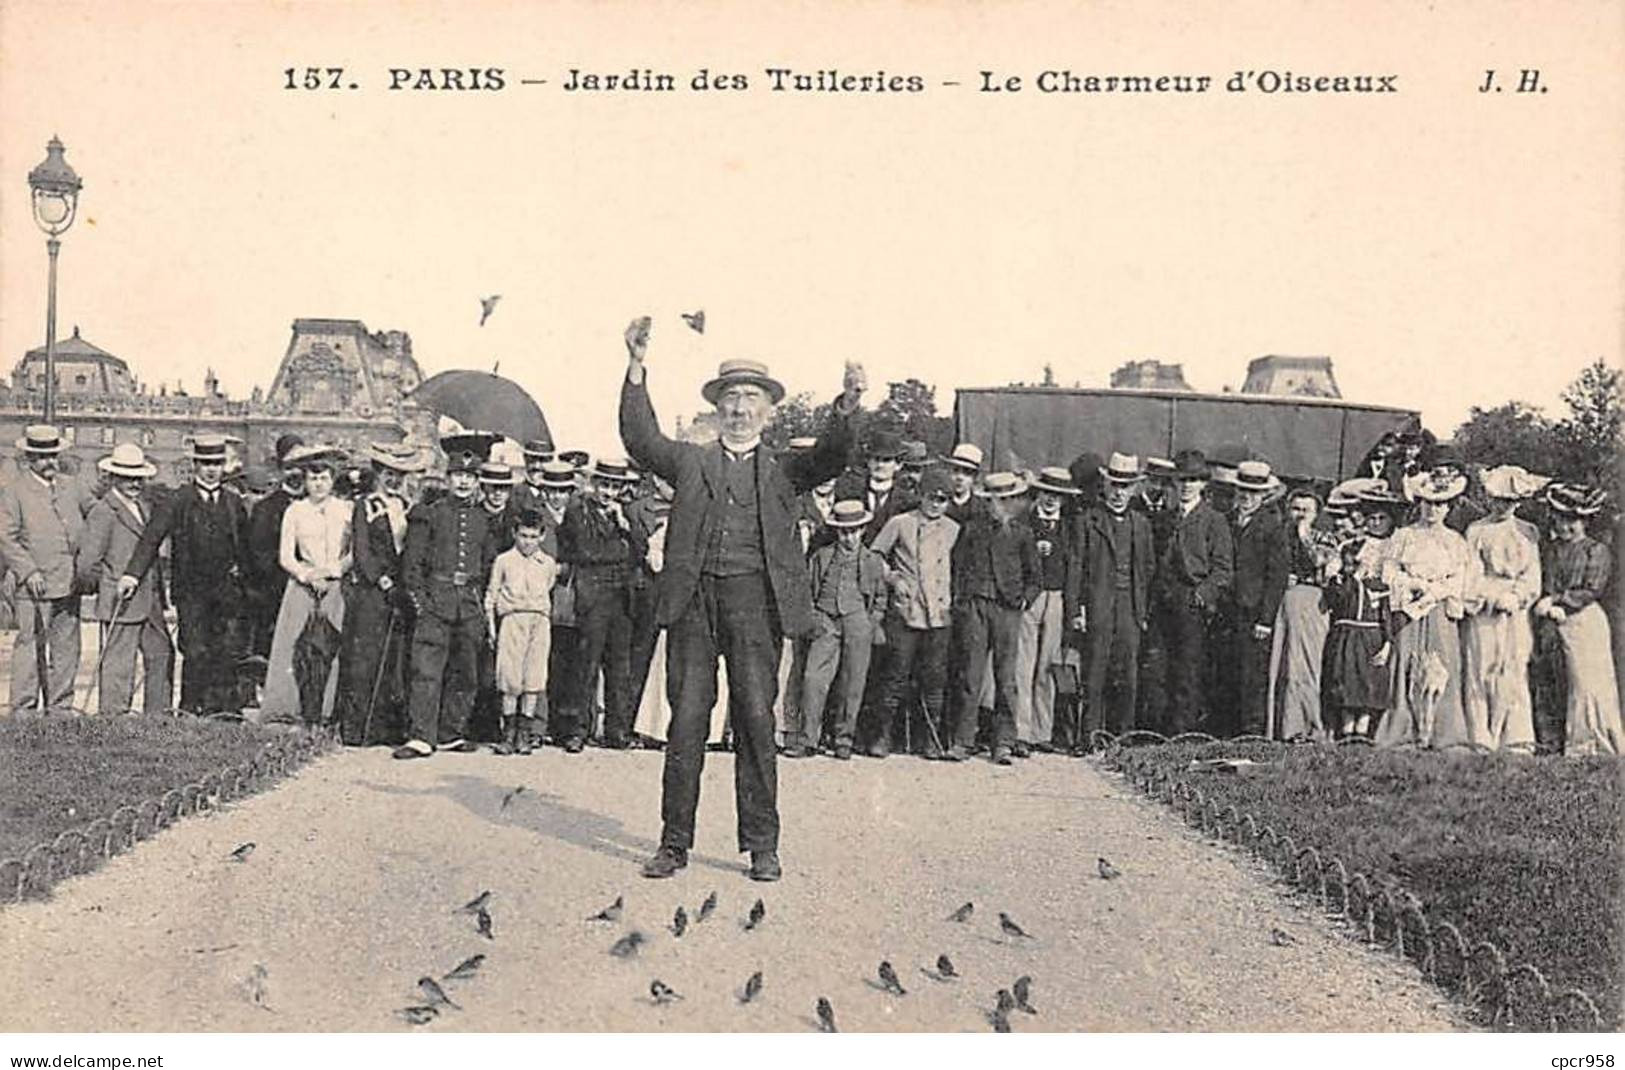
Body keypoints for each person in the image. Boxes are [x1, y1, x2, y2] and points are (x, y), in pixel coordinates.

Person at [619, 316, 860, 882]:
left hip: (757, 605)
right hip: (694, 604)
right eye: (731, 397)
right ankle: (674, 843)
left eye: (751, 398)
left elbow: (831, 456)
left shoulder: (783, 467)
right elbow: (640, 438)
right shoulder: (691, 461)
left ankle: (762, 846)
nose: (740, 408)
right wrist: (635, 367)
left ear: (768, 410)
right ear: (717, 407)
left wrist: (848, 405)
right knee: (686, 723)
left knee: (755, 718)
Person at [121, 433, 250, 717]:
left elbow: (245, 549)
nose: (211, 469)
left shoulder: (233, 502)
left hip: (226, 593)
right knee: (195, 649)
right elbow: (151, 539)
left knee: (225, 649)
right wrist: (132, 574)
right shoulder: (178, 500)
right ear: (195, 465)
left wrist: (246, 588)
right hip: (191, 591)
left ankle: (223, 711)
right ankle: (191, 708)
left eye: (216, 462)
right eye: (205, 463)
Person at [393, 431, 501, 759]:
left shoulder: (486, 519)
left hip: (468, 604)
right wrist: (422, 604)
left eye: (470, 476)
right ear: (448, 476)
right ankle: (421, 736)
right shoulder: (430, 513)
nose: (464, 482)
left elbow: (488, 564)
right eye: (458, 475)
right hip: (435, 602)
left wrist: (479, 605)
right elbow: (411, 565)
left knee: (465, 671)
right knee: (426, 669)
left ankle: (451, 732)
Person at [1373, 469, 1477, 749]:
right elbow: (1389, 570)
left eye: (1440, 504)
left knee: (1442, 663)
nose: (1433, 509)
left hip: (1439, 608)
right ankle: (1405, 729)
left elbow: (1461, 577)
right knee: (1406, 662)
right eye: (1428, 502)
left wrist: (1435, 591)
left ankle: (1443, 731)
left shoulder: (1455, 540)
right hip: (1409, 608)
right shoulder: (1404, 536)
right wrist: (1412, 584)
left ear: (1448, 507)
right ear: (1419, 503)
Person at [947, 471, 1039, 765]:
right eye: (992, 501)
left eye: (1003, 501)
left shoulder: (1023, 533)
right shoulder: (972, 529)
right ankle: (963, 741)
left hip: (1007, 610)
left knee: (1006, 677)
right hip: (975, 607)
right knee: (971, 676)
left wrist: (1024, 599)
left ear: (1012, 502)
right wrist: (961, 602)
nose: (997, 506)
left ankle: (1003, 742)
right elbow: (957, 566)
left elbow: (1034, 576)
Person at [259, 446, 353, 725]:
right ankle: (288, 709)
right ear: (305, 481)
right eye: (313, 479)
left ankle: (328, 710)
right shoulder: (295, 511)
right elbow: (285, 556)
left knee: (333, 645)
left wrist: (332, 572)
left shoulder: (346, 510)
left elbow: (353, 552)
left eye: (324, 478)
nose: (318, 484)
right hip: (302, 585)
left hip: (336, 584)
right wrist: (307, 575)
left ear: (333, 480)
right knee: (294, 647)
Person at [77, 443, 172, 716]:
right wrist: (107, 585)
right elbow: (87, 564)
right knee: (119, 662)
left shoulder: (144, 506)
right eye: (127, 476)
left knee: (160, 653)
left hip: (150, 597)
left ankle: (157, 717)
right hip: (121, 598)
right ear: (113, 477)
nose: (134, 483)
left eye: (138, 476)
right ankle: (114, 719)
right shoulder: (104, 511)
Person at [336, 442, 422, 745]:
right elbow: (361, 550)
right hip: (373, 592)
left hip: (400, 591)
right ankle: (358, 728)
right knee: (366, 657)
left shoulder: (408, 506)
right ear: (378, 473)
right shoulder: (365, 505)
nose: (393, 480)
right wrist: (381, 580)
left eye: (399, 474)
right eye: (388, 473)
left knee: (396, 659)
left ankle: (389, 727)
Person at [0, 425, 88, 715]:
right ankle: (23, 709)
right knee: (30, 645)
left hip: (69, 581)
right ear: (28, 459)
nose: (50, 462)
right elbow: (6, 538)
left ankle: (60, 708)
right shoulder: (13, 491)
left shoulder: (72, 485)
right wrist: (28, 571)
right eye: (42, 457)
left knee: (66, 648)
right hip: (33, 584)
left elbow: (98, 514)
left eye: (53, 455)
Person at [1460, 465, 1547, 753]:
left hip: (1515, 608)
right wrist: (1486, 595)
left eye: (1508, 501)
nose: (1501, 506)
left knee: (1514, 665)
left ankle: (1515, 735)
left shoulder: (1528, 532)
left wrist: (1518, 596)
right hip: (1485, 605)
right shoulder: (1477, 530)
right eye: (1496, 499)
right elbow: (1470, 573)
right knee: (1481, 665)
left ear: (1518, 502)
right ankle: (1480, 733)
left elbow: (1533, 576)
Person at [793, 499, 890, 759]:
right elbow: (808, 592)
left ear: (863, 530)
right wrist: (815, 618)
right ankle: (808, 738)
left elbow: (880, 597)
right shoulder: (821, 557)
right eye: (845, 531)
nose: (850, 537)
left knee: (853, 682)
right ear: (837, 531)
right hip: (826, 621)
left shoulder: (872, 561)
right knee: (814, 679)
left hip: (858, 621)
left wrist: (871, 622)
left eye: (855, 531)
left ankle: (843, 739)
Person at [1532, 483, 1622, 756]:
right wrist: (1547, 601)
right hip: (1552, 618)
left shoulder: (1595, 550)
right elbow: (1545, 581)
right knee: (1550, 675)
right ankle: (1551, 739)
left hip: (1584, 620)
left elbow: (1592, 588)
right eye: (1561, 520)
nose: (1566, 526)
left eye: (1573, 521)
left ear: (1584, 522)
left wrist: (1560, 601)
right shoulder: (1551, 549)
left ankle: (1588, 740)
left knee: (1585, 681)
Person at [559, 457, 641, 749]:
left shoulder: (624, 513)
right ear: (594, 485)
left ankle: (616, 731)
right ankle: (578, 730)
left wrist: (624, 526)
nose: (608, 492)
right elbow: (585, 549)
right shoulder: (578, 511)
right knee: (586, 664)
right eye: (604, 485)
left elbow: (640, 551)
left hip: (621, 598)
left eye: (614, 486)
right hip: (592, 595)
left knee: (619, 666)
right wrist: (619, 547)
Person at [1073, 454, 1155, 746]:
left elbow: (1147, 569)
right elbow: (1077, 568)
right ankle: (1090, 736)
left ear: (1134, 489)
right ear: (1105, 486)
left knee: (1128, 674)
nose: (1119, 493)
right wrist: (1077, 609)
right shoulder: (1088, 521)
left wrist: (1142, 610)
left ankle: (1124, 737)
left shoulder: (1141, 524)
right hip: (1098, 604)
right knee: (1094, 671)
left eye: (1126, 487)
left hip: (1130, 608)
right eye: (1115, 485)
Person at [1153, 450, 1233, 734]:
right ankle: (1159, 732)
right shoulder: (1164, 519)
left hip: (1192, 604)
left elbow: (1223, 570)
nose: (1187, 485)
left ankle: (1182, 734)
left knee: (1187, 671)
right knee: (1161, 668)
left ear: (1203, 485)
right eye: (1182, 479)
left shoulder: (1214, 520)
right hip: (1163, 603)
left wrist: (1201, 595)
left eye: (1193, 480)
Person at [1012, 466, 1081, 754]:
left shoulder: (1069, 526)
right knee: (1022, 665)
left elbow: (1075, 568)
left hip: (1057, 598)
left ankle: (1043, 731)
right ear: (1038, 493)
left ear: (1064, 499)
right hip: (1032, 598)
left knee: (1047, 666)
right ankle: (1020, 732)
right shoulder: (1025, 523)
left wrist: (1073, 608)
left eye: (1057, 495)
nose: (1051, 500)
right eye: (1047, 493)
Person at [1220, 460, 1290, 737]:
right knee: (1226, 669)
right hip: (1227, 608)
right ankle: (1224, 730)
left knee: (1252, 675)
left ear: (1264, 496)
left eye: (1253, 493)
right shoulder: (1225, 520)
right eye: (1242, 492)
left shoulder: (1273, 527)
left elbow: (1277, 577)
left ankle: (1250, 732)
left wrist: (1266, 619)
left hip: (1254, 612)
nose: (1246, 498)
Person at [485, 508, 560, 755]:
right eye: (523, 536)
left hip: (538, 621)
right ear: (514, 534)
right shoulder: (504, 560)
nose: (528, 542)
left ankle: (524, 734)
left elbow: (548, 589)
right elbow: (492, 595)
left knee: (533, 677)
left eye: (533, 536)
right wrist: (492, 627)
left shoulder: (547, 563)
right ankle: (508, 733)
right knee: (509, 678)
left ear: (542, 536)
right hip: (512, 619)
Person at [1267, 488, 1334, 742]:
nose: (1300, 515)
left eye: (1307, 510)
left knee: (1305, 664)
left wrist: (1304, 534)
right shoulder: (1279, 535)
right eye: (1296, 509)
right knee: (1281, 663)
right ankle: (1282, 726)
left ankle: (1306, 726)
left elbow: (1321, 563)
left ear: (1317, 513)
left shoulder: (1324, 537)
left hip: (1311, 602)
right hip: (1284, 601)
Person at [245, 434, 305, 663]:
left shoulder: (316, 504)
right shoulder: (266, 509)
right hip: (277, 595)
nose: (297, 473)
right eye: (290, 466)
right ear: (281, 468)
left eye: (301, 466)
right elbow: (260, 557)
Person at [942, 444, 985, 525]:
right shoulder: (940, 504)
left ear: (975, 477)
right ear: (949, 472)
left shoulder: (980, 508)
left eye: (967, 473)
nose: (959, 477)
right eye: (955, 470)